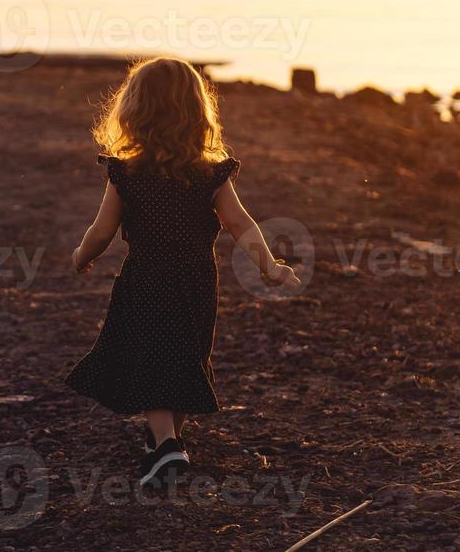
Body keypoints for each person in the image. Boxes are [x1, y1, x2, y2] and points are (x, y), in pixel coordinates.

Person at [65, 57, 301, 488]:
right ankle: (165, 442)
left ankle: (168, 447)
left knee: (154, 360)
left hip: (146, 279)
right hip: (196, 280)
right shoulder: (210, 173)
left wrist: (82, 254)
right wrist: (270, 265)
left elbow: (103, 230)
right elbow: (241, 224)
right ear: (197, 113)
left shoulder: (126, 172)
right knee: (183, 355)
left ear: (133, 111)